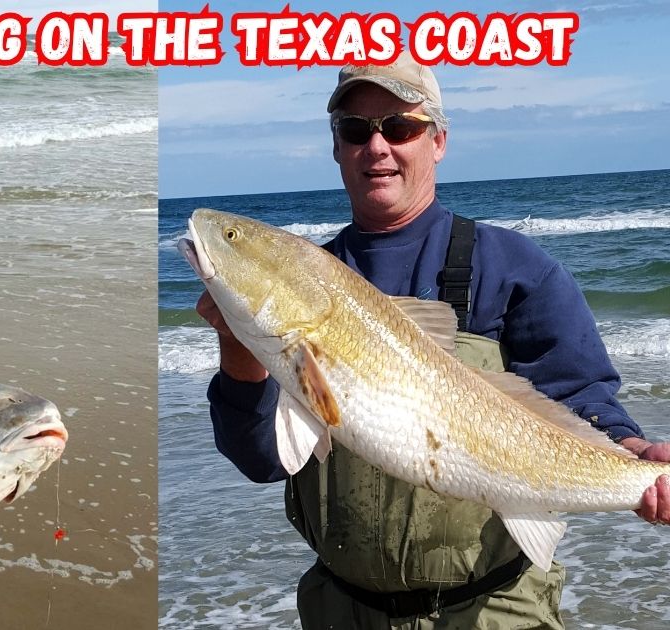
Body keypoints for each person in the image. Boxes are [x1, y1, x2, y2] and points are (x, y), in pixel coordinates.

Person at [197, 55, 670, 629]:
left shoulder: (517, 268)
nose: (377, 148)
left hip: (495, 610)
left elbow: (581, 397)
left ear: (438, 140)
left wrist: (634, 457)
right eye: (355, 130)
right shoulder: (307, 279)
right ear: (337, 146)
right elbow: (264, 461)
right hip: (341, 610)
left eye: (400, 127)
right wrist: (239, 347)